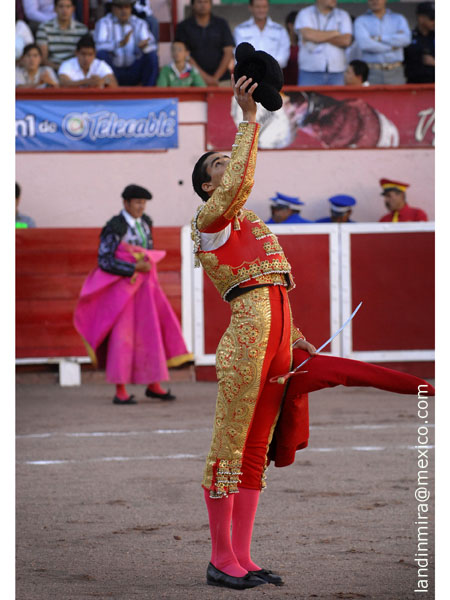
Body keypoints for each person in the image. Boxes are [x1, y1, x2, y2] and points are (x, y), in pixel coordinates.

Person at [191, 74, 318, 589]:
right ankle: (220, 557)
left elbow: (273, 290)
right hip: (246, 343)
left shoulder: (253, 224)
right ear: (206, 185)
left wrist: (298, 336)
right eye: (217, 163)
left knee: (254, 449)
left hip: (275, 339)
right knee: (230, 443)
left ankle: (240, 557)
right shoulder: (209, 220)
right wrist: (248, 121)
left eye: (229, 158)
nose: (230, 165)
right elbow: (240, 181)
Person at [74, 184, 193, 405]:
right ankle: (120, 390)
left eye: (143, 203)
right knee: (123, 337)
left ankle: (153, 384)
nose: (140, 207)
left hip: (145, 289)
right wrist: (133, 269)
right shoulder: (114, 227)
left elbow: (146, 252)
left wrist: (143, 266)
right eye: (137, 202)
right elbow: (105, 260)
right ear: (126, 203)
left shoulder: (146, 223)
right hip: (121, 291)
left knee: (150, 334)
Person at [94, 0, 158, 86]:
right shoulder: (104, 22)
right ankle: (106, 92)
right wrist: (118, 44)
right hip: (112, 71)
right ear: (113, 8)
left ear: (131, 9)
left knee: (152, 56)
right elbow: (98, 47)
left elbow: (152, 45)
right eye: (120, 7)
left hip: (134, 70)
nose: (124, 11)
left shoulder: (140, 23)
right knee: (101, 55)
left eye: (127, 7)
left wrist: (144, 47)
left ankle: (149, 93)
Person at [175, 0, 235, 87]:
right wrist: (206, 78)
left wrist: (215, 78)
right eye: (199, 2)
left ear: (210, 4)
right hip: (193, 80)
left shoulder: (222, 24)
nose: (203, 5)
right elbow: (185, 55)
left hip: (222, 80)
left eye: (206, 2)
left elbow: (228, 52)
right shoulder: (183, 27)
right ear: (193, 5)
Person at [294, 0, 353, 86]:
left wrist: (317, 37)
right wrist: (334, 33)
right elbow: (308, 34)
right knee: (308, 99)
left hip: (337, 71)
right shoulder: (305, 13)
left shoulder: (343, 15)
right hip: (309, 70)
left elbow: (346, 40)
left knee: (337, 100)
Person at [354, 0, 411, 85]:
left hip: (396, 70)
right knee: (371, 98)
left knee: (398, 98)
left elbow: (406, 39)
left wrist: (379, 38)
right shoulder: (361, 20)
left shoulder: (399, 18)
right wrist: (392, 46)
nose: (375, 1)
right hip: (372, 71)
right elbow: (365, 45)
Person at [233, 0, 290, 70]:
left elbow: (283, 57)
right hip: (248, 75)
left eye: (264, 7)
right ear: (250, 7)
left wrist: (267, 68)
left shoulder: (280, 30)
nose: (261, 10)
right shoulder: (240, 29)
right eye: (257, 7)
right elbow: (239, 55)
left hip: (273, 75)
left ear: (268, 7)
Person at [36, 0, 88, 71]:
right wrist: (62, 69)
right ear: (55, 9)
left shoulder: (82, 29)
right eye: (61, 6)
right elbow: (42, 59)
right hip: (52, 70)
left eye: (68, 6)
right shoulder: (44, 28)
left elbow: (85, 56)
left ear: (73, 9)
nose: (64, 10)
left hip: (75, 71)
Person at [404, 1, 435, 84]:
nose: (435, 22)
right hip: (414, 84)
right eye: (432, 18)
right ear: (420, 18)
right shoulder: (408, 37)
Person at [283, 10, 299, 85]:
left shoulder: (305, 45)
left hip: (301, 85)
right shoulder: (282, 44)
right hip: (284, 86)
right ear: (290, 25)